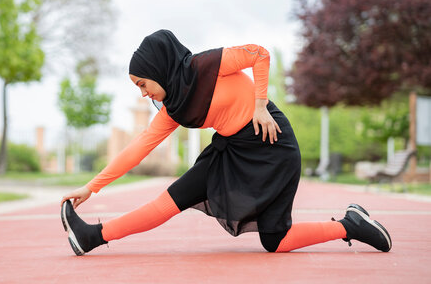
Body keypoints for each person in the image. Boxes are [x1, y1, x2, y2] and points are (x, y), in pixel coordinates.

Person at [60, 29, 392, 256]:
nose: (144, 93)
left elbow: (259, 54)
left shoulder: (207, 65)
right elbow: (140, 146)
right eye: (139, 89)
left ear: (158, 70)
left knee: (275, 241)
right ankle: (92, 237)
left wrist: (261, 105)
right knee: (169, 201)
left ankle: (350, 226)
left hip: (272, 146)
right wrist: (92, 187)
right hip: (230, 150)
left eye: (144, 84)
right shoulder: (174, 107)